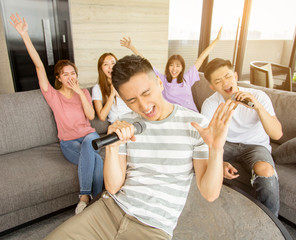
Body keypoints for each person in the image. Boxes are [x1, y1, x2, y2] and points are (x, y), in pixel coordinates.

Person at [44, 54, 235, 240]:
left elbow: (210, 194)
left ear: (160, 84)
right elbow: (112, 187)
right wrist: (112, 146)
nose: (143, 106)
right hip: (108, 212)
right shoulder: (125, 123)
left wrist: (216, 150)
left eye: (146, 93)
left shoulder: (196, 124)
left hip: (154, 228)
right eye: (131, 100)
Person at [10, 13, 104, 215]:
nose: (70, 77)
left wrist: (79, 92)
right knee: (96, 160)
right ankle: (99, 201)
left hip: (89, 135)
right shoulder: (52, 95)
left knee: (89, 141)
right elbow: (38, 66)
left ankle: (84, 197)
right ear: (59, 78)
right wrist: (25, 35)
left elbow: (90, 116)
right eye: (66, 74)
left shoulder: (84, 92)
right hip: (68, 142)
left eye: (73, 73)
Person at [201, 58, 283, 216]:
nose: (225, 83)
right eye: (218, 81)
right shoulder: (210, 104)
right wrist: (219, 162)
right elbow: (205, 141)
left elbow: (277, 134)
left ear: (236, 76)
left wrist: (257, 107)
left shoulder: (259, 96)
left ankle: (273, 223)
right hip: (226, 144)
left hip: (255, 146)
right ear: (212, 86)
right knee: (197, 159)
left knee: (265, 170)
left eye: (228, 76)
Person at [120, 27, 222, 112]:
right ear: (168, 67)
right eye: (171, 65)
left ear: (182, 68)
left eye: (178, 66)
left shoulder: (187, 78)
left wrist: (216, 40)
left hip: (191, 115)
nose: (174, 69)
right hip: (174, 116)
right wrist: (131, 47)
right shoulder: (162, 79)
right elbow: (145, 62)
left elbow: (202, 57)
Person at [92, 53, 132, 123]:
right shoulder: (97, 88)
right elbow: (102, 116)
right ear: (101, 68)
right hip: (119, 120)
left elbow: (134, 102)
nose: (110, 67)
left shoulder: (125, 82)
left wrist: (119, 94)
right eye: (106, 64)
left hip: (135, 115)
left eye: (113, 63)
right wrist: (112, 94)